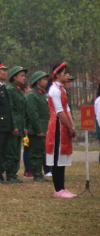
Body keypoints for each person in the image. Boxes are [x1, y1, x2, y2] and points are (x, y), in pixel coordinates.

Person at [46, 62, 76, 198]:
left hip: (64, 125)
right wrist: (69, 126)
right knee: (57, 157)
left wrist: (72, 125)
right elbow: (59, 111)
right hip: (57, 125)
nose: (68, 76)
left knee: (62, 156)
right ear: (57, 75)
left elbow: (67, 109)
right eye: (65, 73)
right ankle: (58, 189)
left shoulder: (62, 89)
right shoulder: (54, 90)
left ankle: (63, 188)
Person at [5, 66, 28, 183]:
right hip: (13, 125)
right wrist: (14, 126)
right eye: (21, 76)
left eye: (24, 76)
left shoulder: (19, 90)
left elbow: (22, 111)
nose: (24, 78)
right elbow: (11, 110)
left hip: (19, 124)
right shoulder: (10, 90)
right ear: (14, 77)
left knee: (17, 150)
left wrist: (23, 126)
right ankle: (10, 174)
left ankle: (14, 173)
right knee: (11, 150)